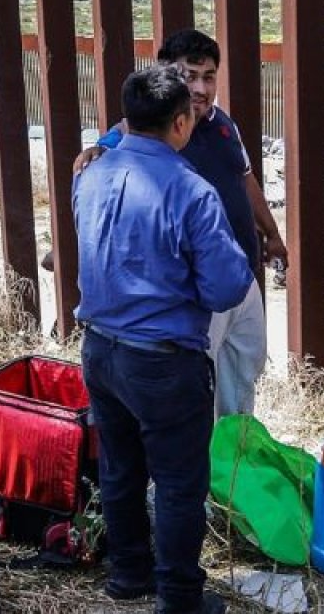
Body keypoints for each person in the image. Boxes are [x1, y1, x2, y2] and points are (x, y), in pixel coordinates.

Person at [74, 64, 253, 614]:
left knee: (121, 467)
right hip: (163, 359)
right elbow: (226, 286)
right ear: (181, 122)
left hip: (99, 348)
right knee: (178, 482)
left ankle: (128, 573)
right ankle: (179, 597)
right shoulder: (190, 190)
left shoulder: (92, 174)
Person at [76, 29, 287, 418]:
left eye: (208, 76)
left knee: (244, 371)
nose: (201, 88)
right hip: (198, 292)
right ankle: (201, 460)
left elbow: (244, 178)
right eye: (189, 75)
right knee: (197, 388)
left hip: (240, 275)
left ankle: (233, 457)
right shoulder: (153, 130)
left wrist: (272, 235)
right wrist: (98, 146)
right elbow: (115, 141)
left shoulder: (225, 125)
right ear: (165, 75)